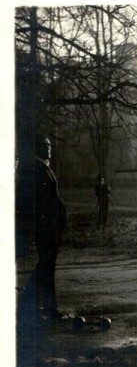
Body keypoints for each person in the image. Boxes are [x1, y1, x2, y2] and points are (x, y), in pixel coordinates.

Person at [17, 133, 68, 321]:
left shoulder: (44, 168)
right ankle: (41, 307)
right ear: (37, 148)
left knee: (46, 266)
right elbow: (30, 201)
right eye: (44, 145)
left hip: (51, 227)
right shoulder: (35, 169)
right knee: (46, 266)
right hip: (44, 227)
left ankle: (32, 305)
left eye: (49, 145)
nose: (48, 148)